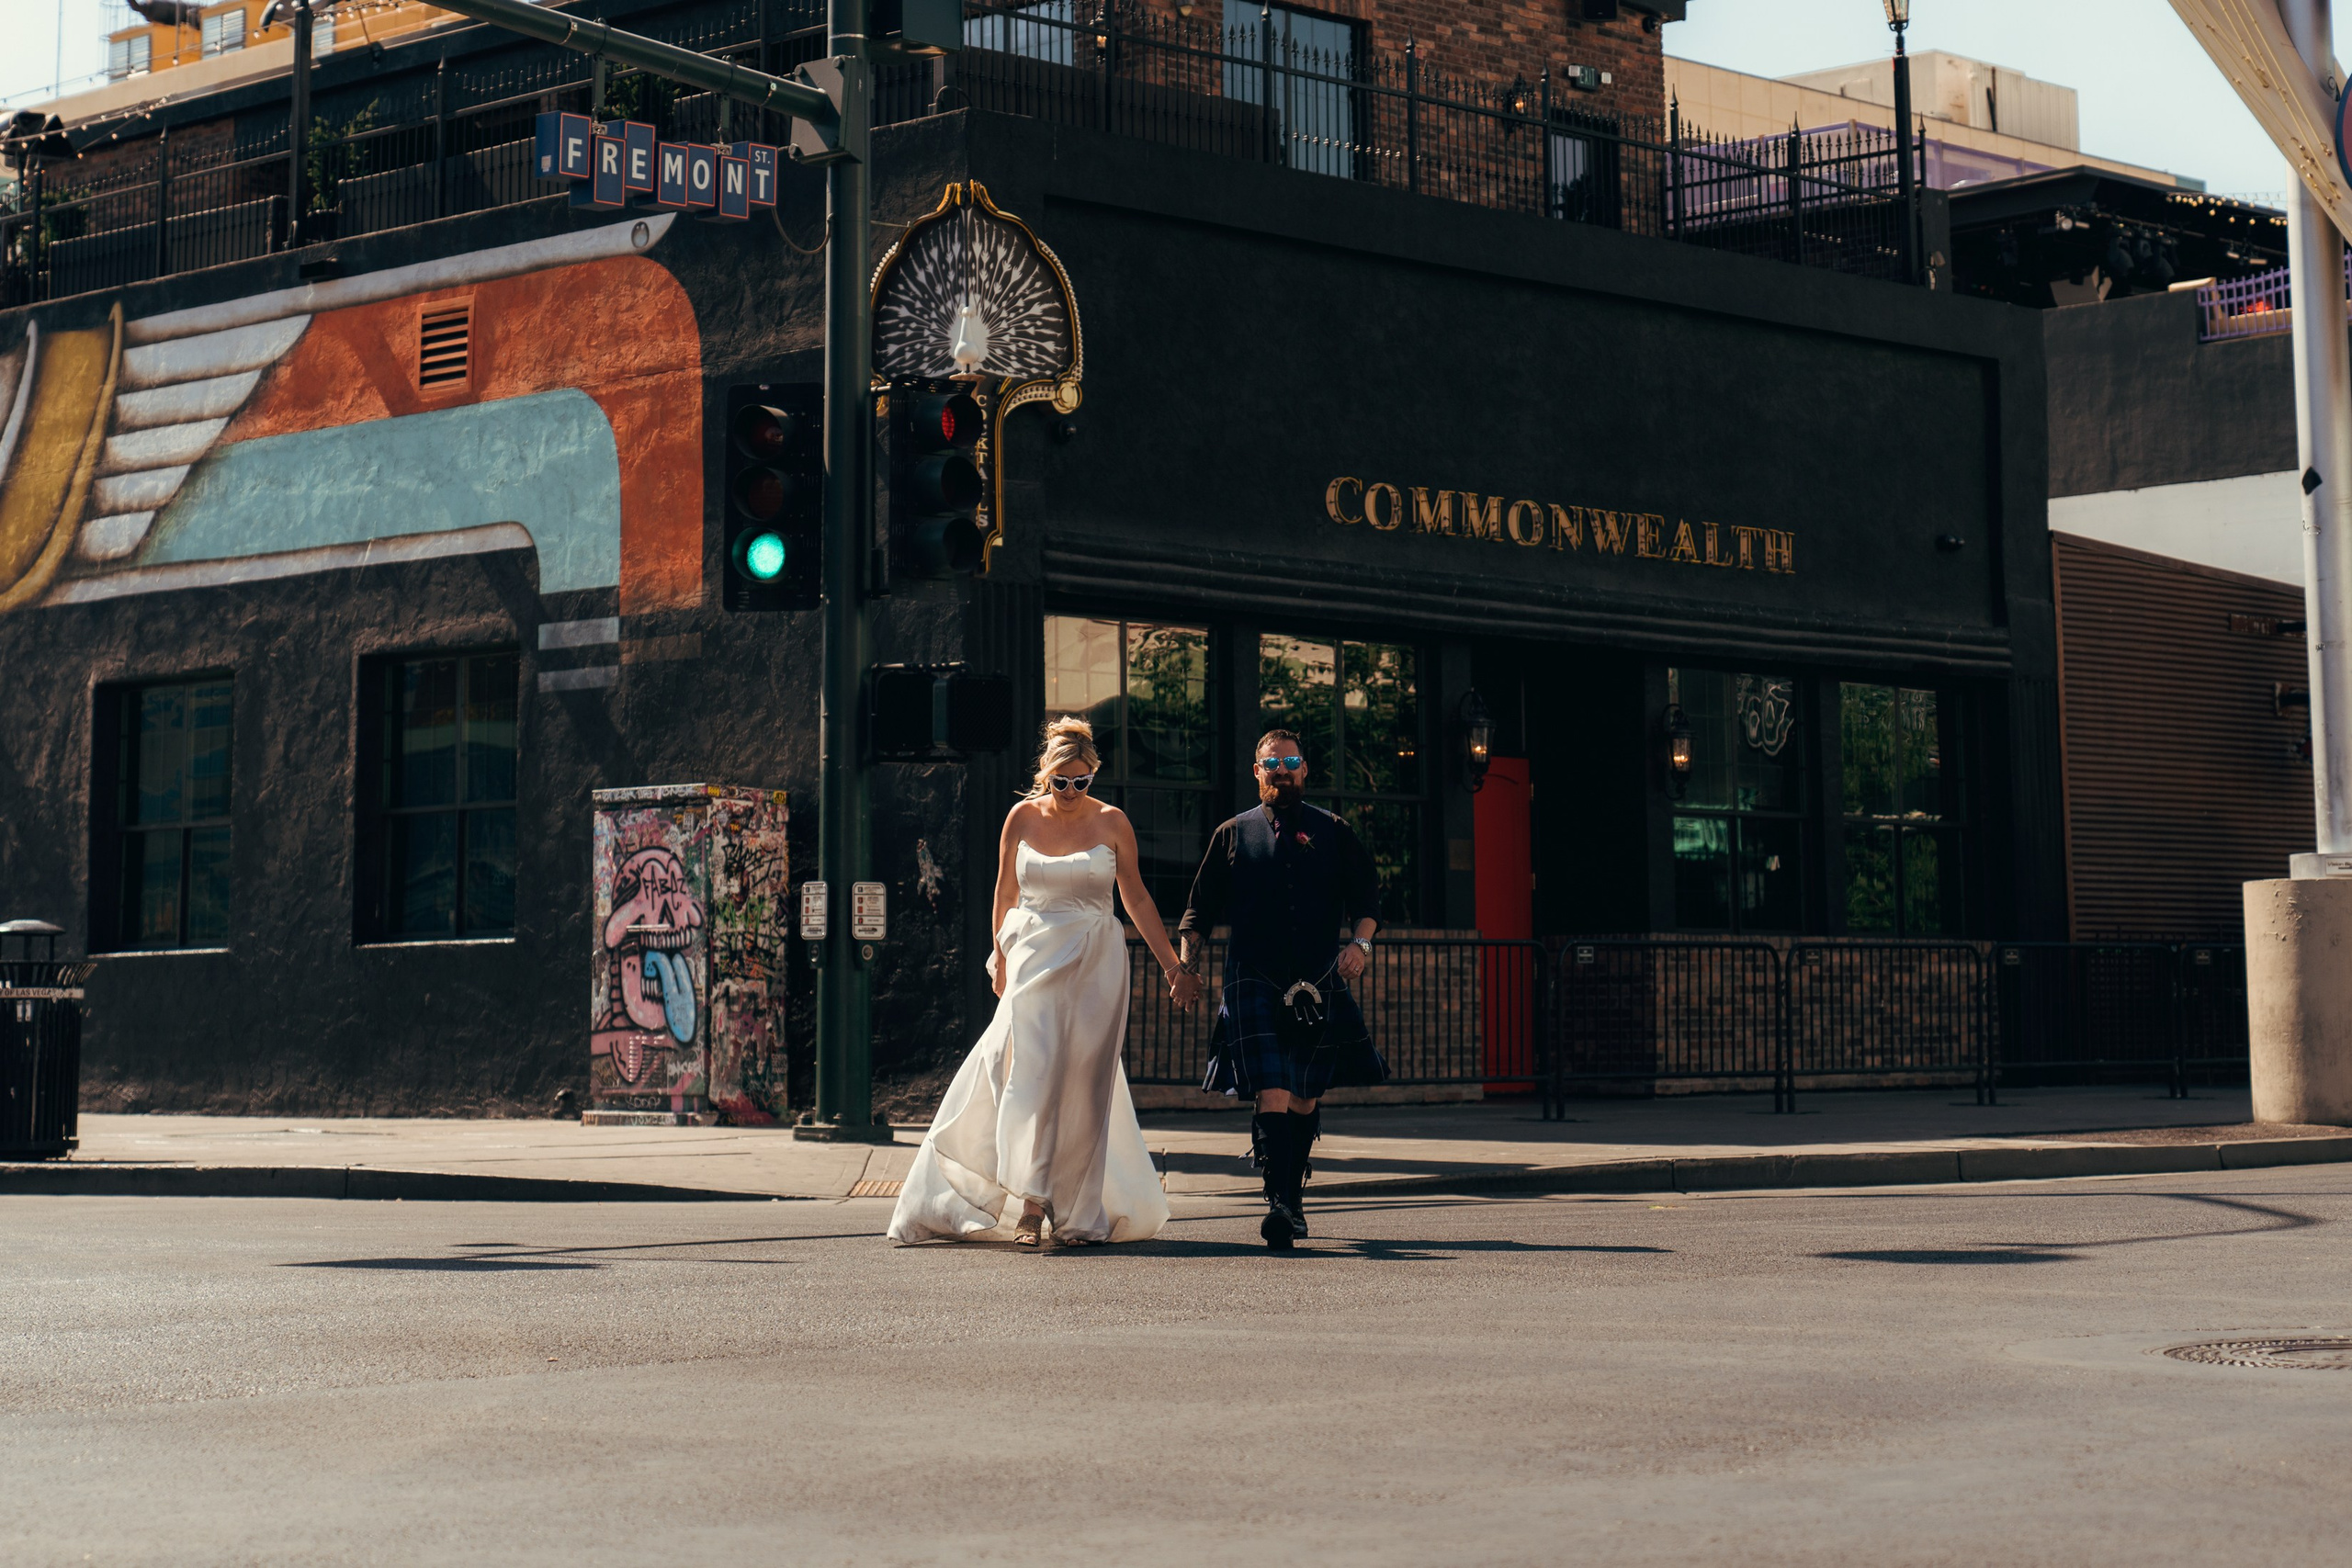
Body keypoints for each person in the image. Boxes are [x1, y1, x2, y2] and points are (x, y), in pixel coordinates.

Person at [888, 716, 1202, 1247]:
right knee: (1026, 1076)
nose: (1072, 792)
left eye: (1082, 782)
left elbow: (1137, 898)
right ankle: (1029, 1203)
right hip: (1033, 957)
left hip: (1097, 962)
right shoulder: (1022, 818)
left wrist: (1174, 967)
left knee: (1083, 1083)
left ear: (1092, 776)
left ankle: (1072, 1212)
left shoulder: (1112, 822)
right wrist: (1000, 958)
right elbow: (1004, 894)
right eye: (1062, 782)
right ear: (1046, 775)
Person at [1178, 728, 1385, 1251]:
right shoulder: (1232, 833)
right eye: (1273, 763)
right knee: (1272, 1089)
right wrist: (1184, 965)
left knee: (1304, 1094)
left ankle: (1292, 1198)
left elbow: (1367, 898)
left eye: (1292, 761)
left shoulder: (1333, 830)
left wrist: (1360, 945)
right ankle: (1280, 1205)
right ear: (1258, 772)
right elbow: (1198, 911)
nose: (1283, 770)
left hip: (1318, 980)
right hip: (1253, 976)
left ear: (1305, 769)